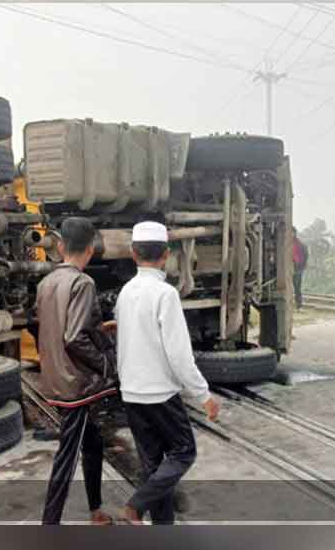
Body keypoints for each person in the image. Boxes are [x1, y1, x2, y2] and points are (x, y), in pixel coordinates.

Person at [114, 221, 220, 525]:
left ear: (133, 254)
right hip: (160, 393)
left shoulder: (125, 293)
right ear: (167, 255)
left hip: (132, 393)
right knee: (184, 452)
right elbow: (179, 355)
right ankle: (136, 505)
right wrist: (204, 395)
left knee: (152, 466)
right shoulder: (165, 294)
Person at [37, 218, 119, 525]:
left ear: (59, 246)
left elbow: (54, 328)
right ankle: (50, 526)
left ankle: (96, 510)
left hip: (57, 377)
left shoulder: (47, 282)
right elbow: (73, 337)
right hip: (76, 385)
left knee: (93, 442)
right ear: (90, 250)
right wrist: (106, 364)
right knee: (67, 457)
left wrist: (98, 328)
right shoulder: (83, 282)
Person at [292, 228, 309, 309]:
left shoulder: (300, 244)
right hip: (288, 268)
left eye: (293, 232)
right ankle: (292, 304)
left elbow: (305, 256)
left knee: (297, 287)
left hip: (297, 268)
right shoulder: (285, 243)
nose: (291, 234)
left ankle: (299, 305)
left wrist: (303, 266)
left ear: (295, 233)